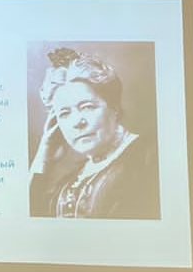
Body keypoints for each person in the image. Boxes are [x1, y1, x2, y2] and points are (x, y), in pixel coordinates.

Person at [29, 46, 160, 219]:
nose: (77, 122)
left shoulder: (151, 157)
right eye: (65, 113)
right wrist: (43, 154)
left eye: (87, 107)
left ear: (114, 107)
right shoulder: (70, 180)